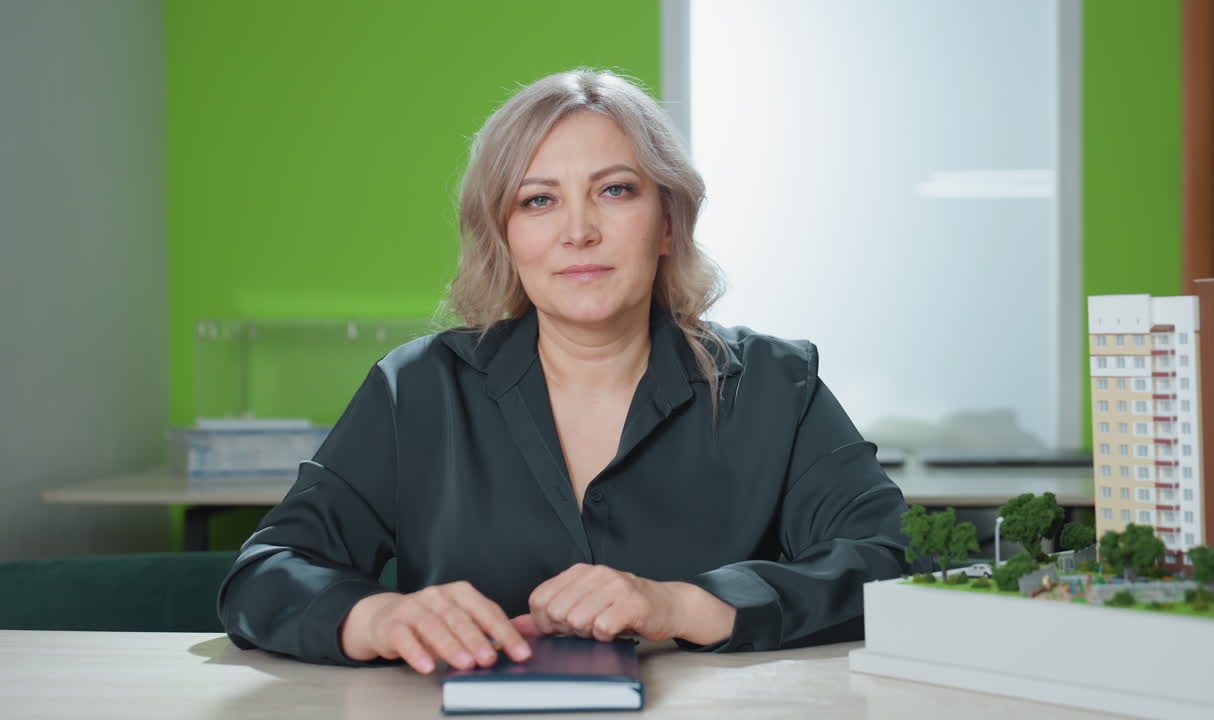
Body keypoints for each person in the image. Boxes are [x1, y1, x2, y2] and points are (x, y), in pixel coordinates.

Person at [217, 68, 912, 675]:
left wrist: (682, 604)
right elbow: (266, 570)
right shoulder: (419, 389)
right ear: (505, 234)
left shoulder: (775, 384)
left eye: (614, 190)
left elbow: (892, 563)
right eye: (538, 199)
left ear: (668, 222)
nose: (577, 230)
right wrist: (376, 619)